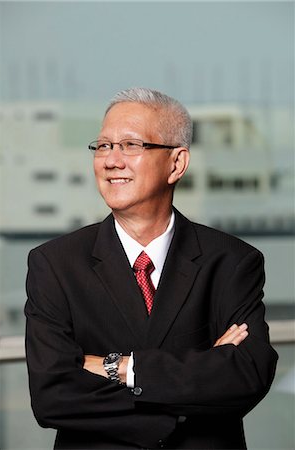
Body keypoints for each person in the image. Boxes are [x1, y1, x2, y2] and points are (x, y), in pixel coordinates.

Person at [25, 87, 278, 450]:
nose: (111, 160)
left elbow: (246, 376)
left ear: (176, 163)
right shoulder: (55, 264)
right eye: (103, 146)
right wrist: (196, 383)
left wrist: (121, 367)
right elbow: (53, 396)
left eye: (130, 145)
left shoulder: (232, 261)